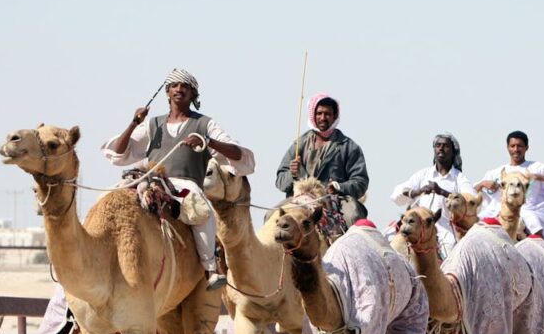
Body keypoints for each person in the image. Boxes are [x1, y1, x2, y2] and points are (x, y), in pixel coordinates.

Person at [102, 68, 255, 290]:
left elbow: (239, 155)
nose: (179, 89)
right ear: (167, 92)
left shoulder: (205, 124)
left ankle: (210, 268)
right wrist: (134, 122)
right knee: (110, 199)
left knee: (201, 213)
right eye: (174, 85)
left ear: (193, 94)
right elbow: (118, 152)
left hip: (185, 186)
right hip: (148, 179)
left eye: (185, 86)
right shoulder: (152, 124)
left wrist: (207, 140)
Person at [275, 93, 369, 224]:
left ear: (334, 116)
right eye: (319, 113)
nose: (322, 118)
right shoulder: (299, 144)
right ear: (313, 115)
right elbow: (280, 181)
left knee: (353, 217)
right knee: (270, 216)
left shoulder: (349, 147)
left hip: (336, 202)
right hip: (299, 200)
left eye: (327, 114)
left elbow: (361, 182)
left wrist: (339, 187)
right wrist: (292, 174)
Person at [472, 130, 544, 245]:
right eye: (512, 146)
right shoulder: (495, 173)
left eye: (519, 146)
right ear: (507, 147)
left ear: (526, 147)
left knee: (530, 220)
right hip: (498, 215)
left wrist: (542, 178)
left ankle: (542, 249)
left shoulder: (539, 168)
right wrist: (483, 184)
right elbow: (471, 194)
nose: (516, 149)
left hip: (529, 213)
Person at [390, 133, 473, 256]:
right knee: (390, 250)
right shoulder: (423, 175)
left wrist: (442, 192)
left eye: (445, 146)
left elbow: (470, 201)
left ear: (453, 151)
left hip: (445, 234)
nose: (441, 148)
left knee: (449, 257)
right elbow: (396, 196)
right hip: (416, 229)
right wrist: (418, 191)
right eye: (438, 145)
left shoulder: (459, 178)